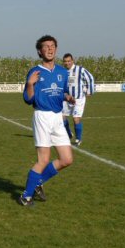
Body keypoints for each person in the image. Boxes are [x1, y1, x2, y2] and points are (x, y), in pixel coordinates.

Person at [18, 35, 75, 206]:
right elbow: (28, 100)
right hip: (42, 116)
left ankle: (37, 182)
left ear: (56, 49)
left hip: (58, 117)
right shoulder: (35, 72)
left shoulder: (62, 72)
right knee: (43, 160)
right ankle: (25, 196)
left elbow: (61, 92)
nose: (50, 49)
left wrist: (68, 97)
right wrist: (29, 84)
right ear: (39, 51)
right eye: (46, 46)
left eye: (52, 46)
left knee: (67, 159)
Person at [61, 53, 95, 146]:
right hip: (66, 99)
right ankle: (68, 134)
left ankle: (78, 139)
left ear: (72, 61)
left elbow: (90, 78)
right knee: (62, 118)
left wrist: (90, 91)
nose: (67, 63)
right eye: (65, 61)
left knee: (76, 119)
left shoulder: (80, 70)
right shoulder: (62, 71)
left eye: (69, 61)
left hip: (78, 99)